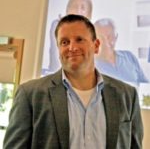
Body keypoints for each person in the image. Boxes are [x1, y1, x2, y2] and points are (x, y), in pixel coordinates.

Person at [4, 15, 143, 149]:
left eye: (79, 39)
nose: (72, 47)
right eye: (64, 42)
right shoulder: (30, 95)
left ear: (96, 45)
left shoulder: (127, 96)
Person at [42, 0, 92, 74]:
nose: (78, 10)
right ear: (68, 10)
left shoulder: (93, 31)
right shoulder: (57, 26)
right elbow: (55, 57)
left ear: (88, 14)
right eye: (74, 6)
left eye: (83, 8)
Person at [94, 18, 149, 86]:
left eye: (110, 36)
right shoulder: (90, 66)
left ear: (116, 37)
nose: (106, 42)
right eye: (101, 37)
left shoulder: (129, 57)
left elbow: (145, 84)